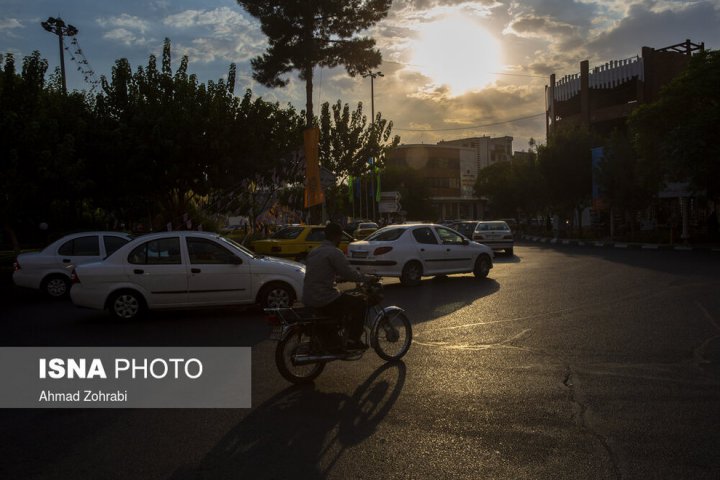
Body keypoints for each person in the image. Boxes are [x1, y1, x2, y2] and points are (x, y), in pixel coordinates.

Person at [302, 222, 369, 351]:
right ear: (337, 236)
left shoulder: (314, 251)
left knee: (344, 301)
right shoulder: (334, 252)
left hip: (308, 297)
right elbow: (349, 273)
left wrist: (337, 279)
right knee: (360, 303)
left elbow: (321, 274)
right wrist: (367, 278)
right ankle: (353, 340)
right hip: (324, 298)